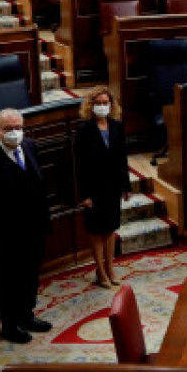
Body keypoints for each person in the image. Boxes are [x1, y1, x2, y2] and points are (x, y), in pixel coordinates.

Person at [0, 108, 53, 345]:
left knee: (30, 276)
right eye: (8, 128)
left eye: (18, 128)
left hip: (34, 229)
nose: (14, 132)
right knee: (9, 282)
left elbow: (39, 186)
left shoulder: (30, 146)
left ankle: (26, 316)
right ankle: (10, 326)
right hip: (5, 235)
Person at [74, 87, 131, 287]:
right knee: (97, 230)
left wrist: (126, 186)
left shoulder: (117, 126)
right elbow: (79, 165)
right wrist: (84, 194)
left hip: (112, 186)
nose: (102, 106)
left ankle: (110, 268)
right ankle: (100, 271)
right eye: (98, 103)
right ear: (91, 106)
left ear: (111, 105)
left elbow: (122, 158)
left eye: (105, 103)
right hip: (94, 188)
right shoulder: (84, 130)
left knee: (110, 229)